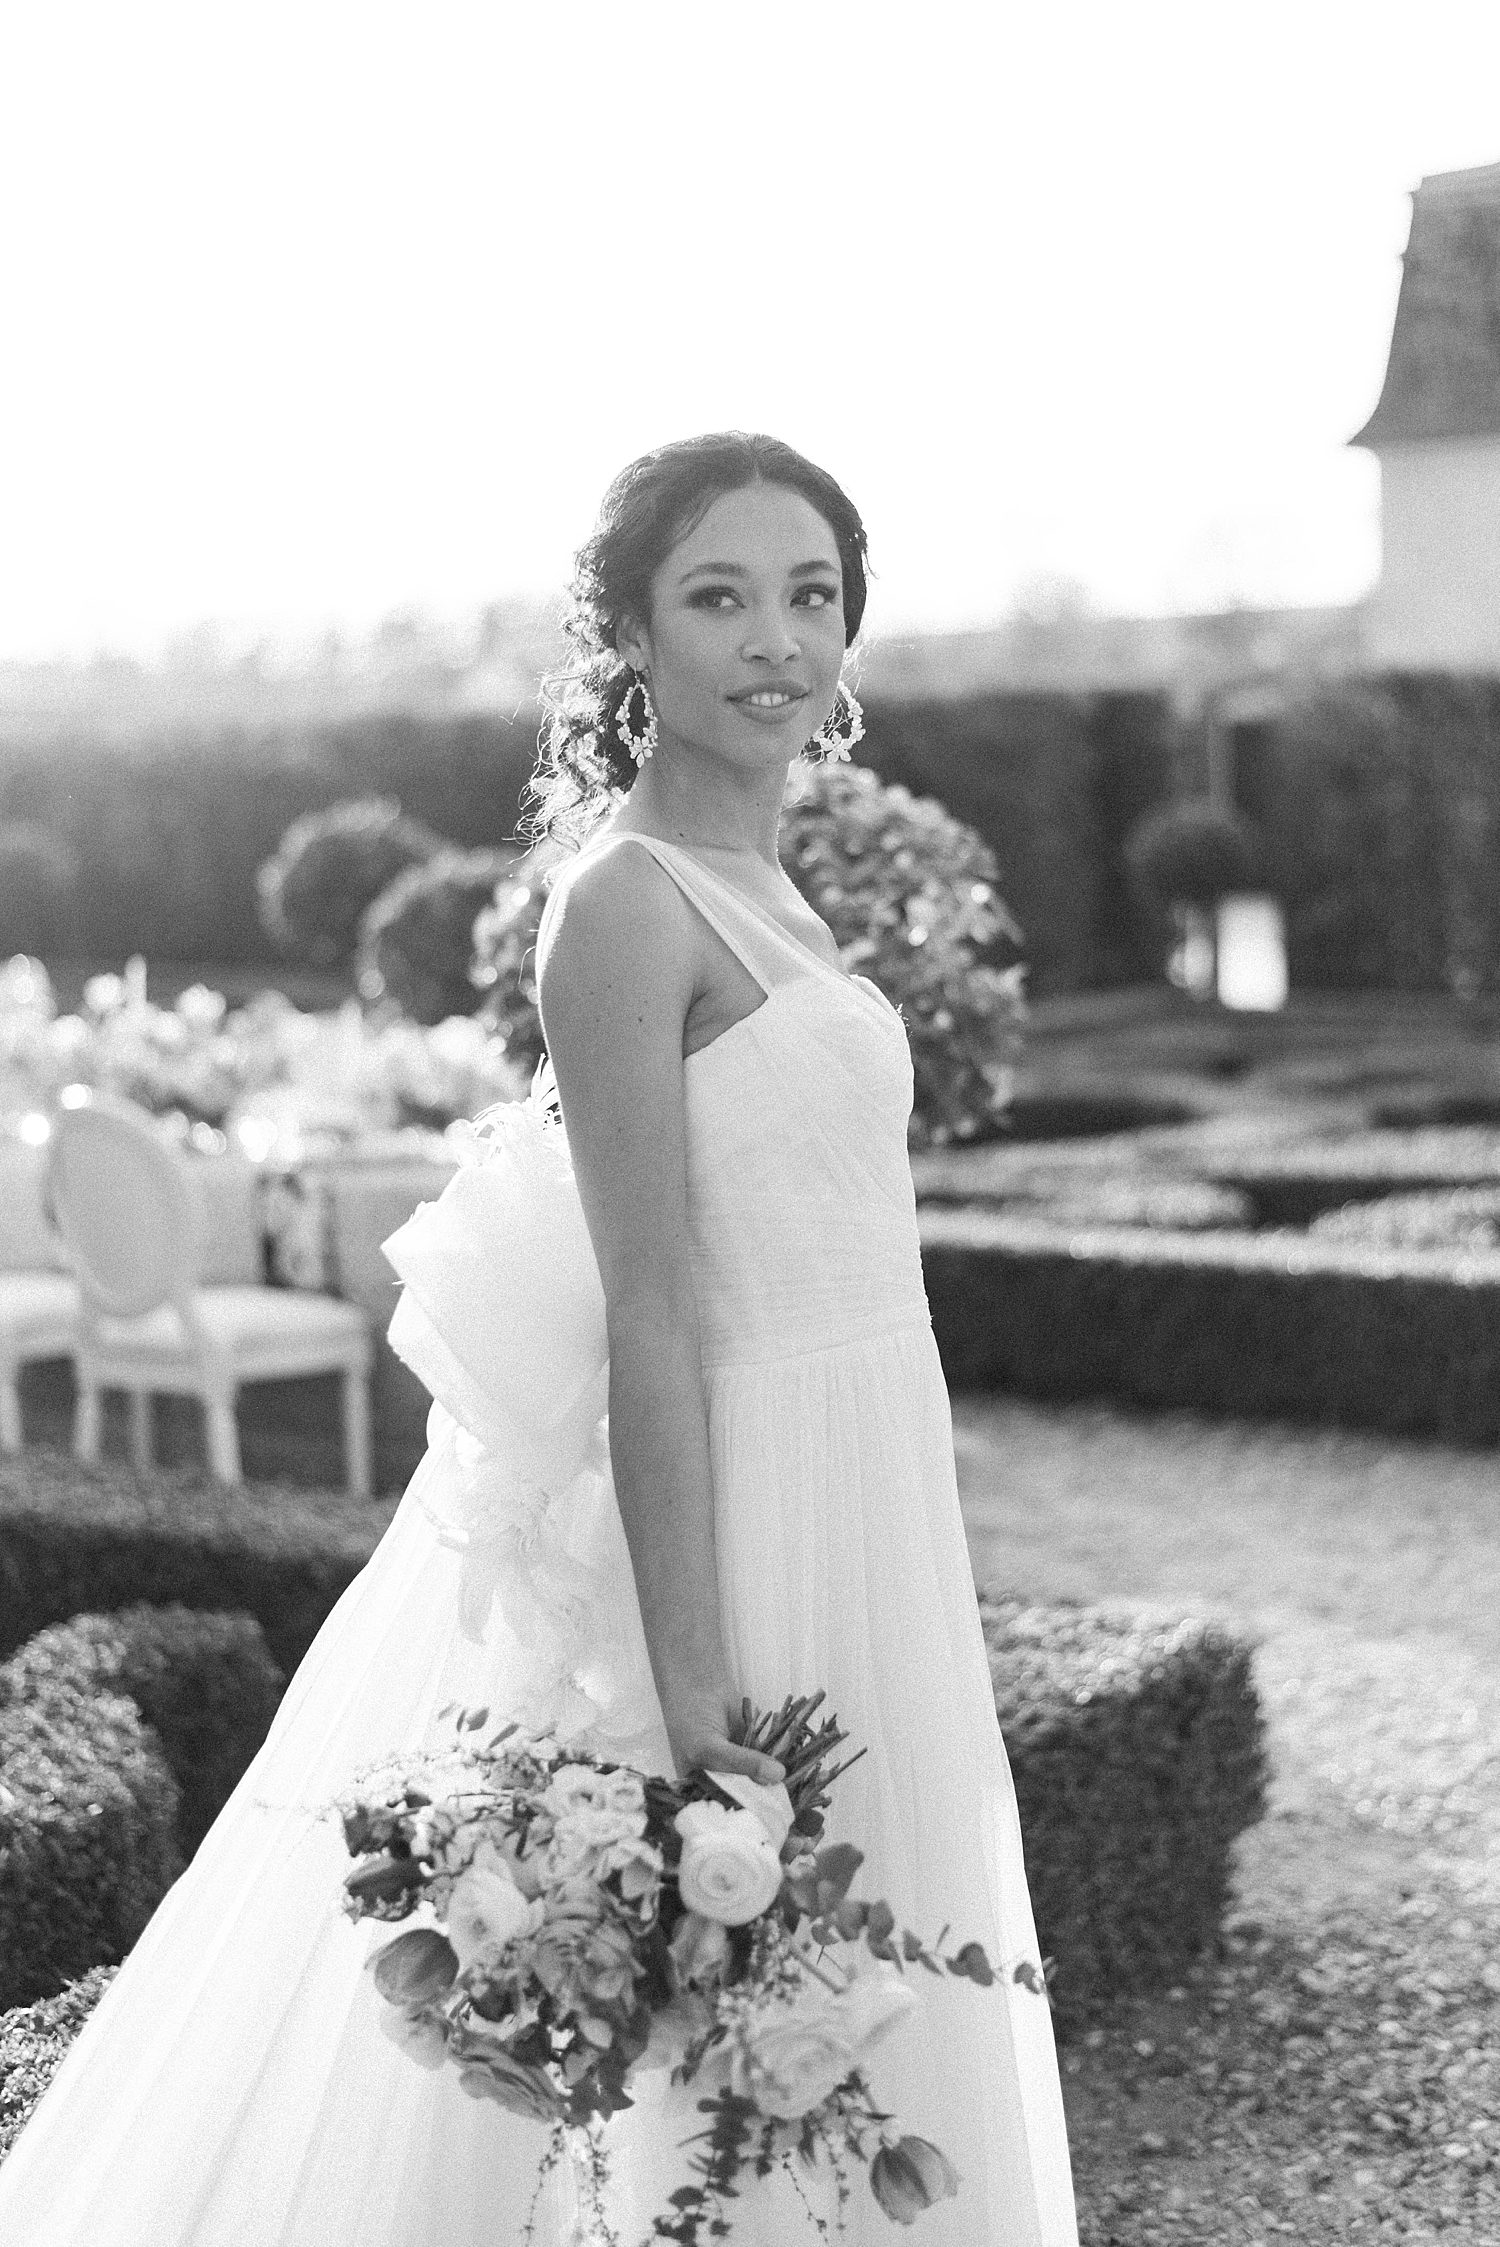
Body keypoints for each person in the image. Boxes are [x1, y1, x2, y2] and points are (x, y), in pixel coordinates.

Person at [0, 433, 1077, 2245]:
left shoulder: (787, 901)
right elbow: (651, 1314)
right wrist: (691, 1682)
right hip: (743, 1504)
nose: (776, 641)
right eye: (719, 594)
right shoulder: (624, 903)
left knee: (851, 2001)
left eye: (812, 595)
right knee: (697, 2043)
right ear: (630, 638)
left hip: (869, 1481)